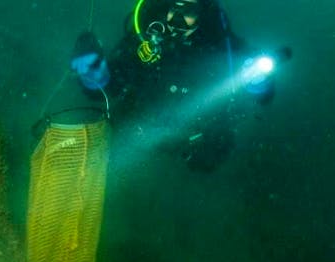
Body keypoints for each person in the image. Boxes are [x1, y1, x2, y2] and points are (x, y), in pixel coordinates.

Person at [70, 0, 285, 172]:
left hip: (194, 140)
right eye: (175, 7)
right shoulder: (144, 40)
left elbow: (262, 96)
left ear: (203, 12)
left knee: (210, 158)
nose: (178, 18)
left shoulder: (220, 46)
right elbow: (107, 89)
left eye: (189, 10)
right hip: (138, 129)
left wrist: (259, 82)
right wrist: (93, 75)